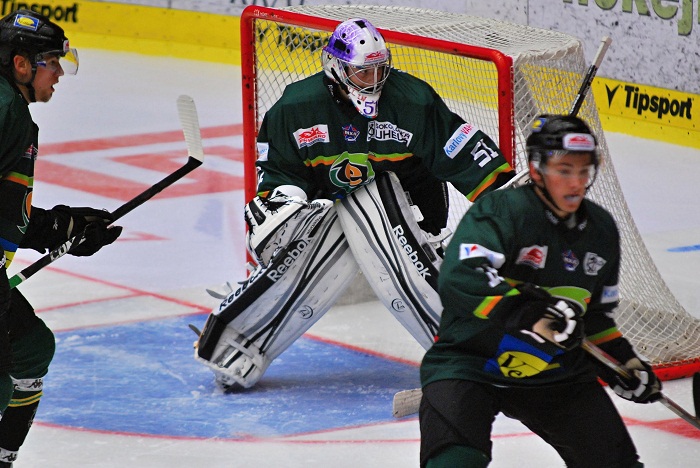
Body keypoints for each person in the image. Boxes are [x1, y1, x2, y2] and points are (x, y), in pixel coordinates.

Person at [194, 17, 513, 390]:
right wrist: (285, 207)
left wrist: (511, 204)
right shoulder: (295, 108)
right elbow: (279, 173)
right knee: (304, 261)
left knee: (378, 218)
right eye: (364, 71)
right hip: (329, 214)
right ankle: (235, 348)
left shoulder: (411, 101)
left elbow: (461, 152)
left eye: (380, 69)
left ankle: (466, 353)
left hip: (413, 211)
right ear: (337, 68)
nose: (374, 80)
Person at [418, 114, 662, 467]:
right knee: (454, 463)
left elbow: (592, 317)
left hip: (555, 372)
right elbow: (461, 276)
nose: (576, 182)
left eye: (584, 170)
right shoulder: (502, 211)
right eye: (564, 170)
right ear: (536, 169)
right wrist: (527, 312)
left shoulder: (601, 230)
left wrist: (621, 360)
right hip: (470, 362)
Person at [0, 9, 122, 466]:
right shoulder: (5, 110)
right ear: (21, 64)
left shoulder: (13, 111)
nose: (59, 74)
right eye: (52, 62)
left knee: (31, 349)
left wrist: (62, 227)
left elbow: (8, 209)